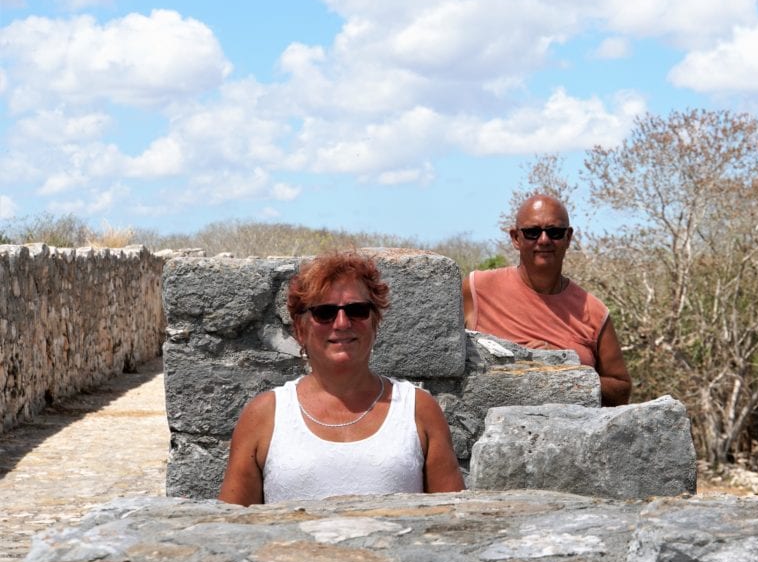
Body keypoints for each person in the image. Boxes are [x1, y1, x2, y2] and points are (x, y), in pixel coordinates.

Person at [219, 251, 464, 505]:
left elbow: (454, 520)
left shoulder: (418, 410)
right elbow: (232, 526)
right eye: (324, 313)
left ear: (375, 322)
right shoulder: (264, 416)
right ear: (300, 329)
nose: (342, 323)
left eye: (357, 310)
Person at [462, 194, 632, 406]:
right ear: (516, 238)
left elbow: (621, 390)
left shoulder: (594, 312)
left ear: (568, 237)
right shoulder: (477, 289)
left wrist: (568, 371)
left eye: (554, 232)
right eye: (532, 232)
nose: (544, 240)